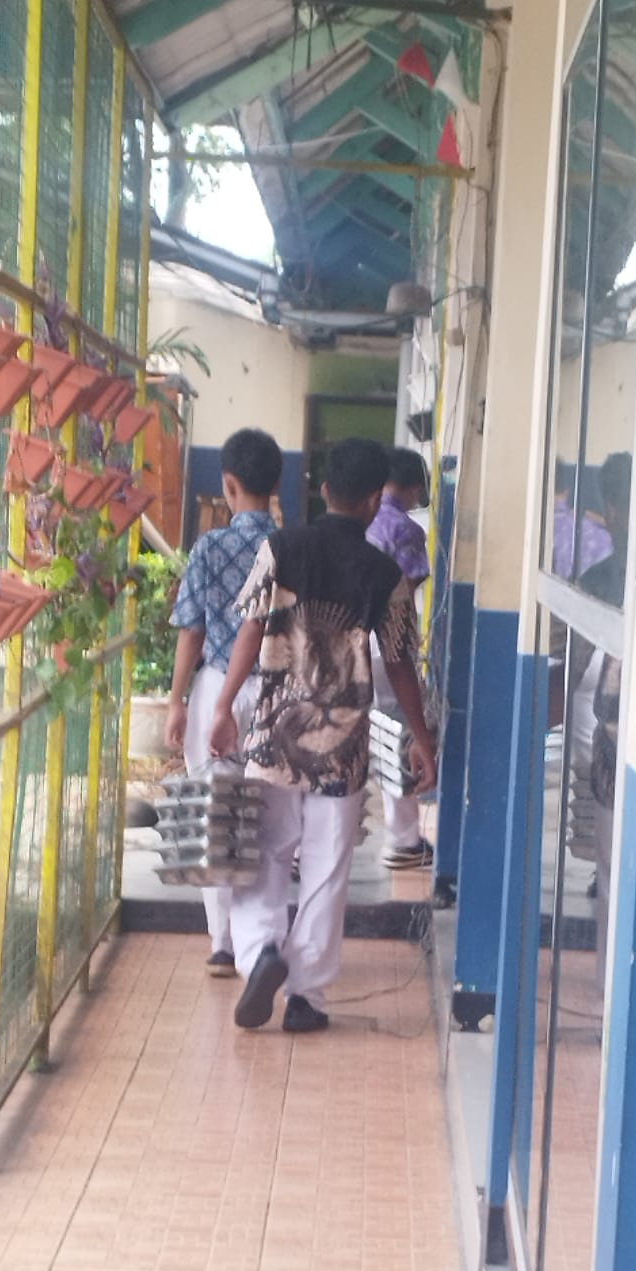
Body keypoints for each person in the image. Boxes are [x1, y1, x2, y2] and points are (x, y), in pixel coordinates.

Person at [209, 437, 438, 1035]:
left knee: (267, 850)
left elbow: (250, 630)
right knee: (327, 865)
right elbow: (399, 663)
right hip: (343, 745)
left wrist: (224, 705)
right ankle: (305, 995)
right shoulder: (384, 574)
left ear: (324, 490)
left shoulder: (280, 549)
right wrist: (420, 738)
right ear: (374, 500)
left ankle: (260, 951)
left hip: (274, 733)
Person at [164, 427, 283, 976]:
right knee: (266, 816)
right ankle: (262, 941)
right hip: (276, 692)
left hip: (217, 686)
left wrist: (176, 701)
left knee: (214, 811)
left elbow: (191, 630)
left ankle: (222, 942)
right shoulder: (289, 547)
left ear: (228, 484)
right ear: (275, 485)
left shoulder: (210, 547)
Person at [571, 451, 632, 991]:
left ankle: (613, 991)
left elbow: (568, 669)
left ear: (610, 508)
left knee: (613, 873)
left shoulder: (598, 580)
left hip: (614, 749)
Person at [365, 446, 434, 869]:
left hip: (352, 642)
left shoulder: (362, 518)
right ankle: (405, 839)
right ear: (413, 489)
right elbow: (407, 588)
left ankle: (303, 847)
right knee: (399, 734)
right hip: (388, 643)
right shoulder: (406, 529)